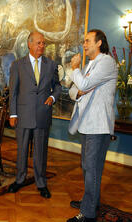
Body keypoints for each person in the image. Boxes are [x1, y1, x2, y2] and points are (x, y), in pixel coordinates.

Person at [67, 29, 117, 222]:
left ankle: (88, 213)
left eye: (88, 41)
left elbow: (84, 84)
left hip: (98, 125)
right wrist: (80, 88)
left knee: (92, 167)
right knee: (87, 166)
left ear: (99, 43)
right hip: (85, 124)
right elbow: (74, 91)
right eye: (84, 41)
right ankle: (90, 200)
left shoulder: (106, 62)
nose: (84, 44)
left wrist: (75, 71)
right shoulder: (90, 65)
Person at [8, 31, 62, 198]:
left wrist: (52, 97)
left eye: (43, 43)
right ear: (29, 44)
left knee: (40, 152)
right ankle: (19, 179)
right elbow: (14, 92)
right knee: (22, 151)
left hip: (42, 115)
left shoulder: (51, 65)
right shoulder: (17, 65)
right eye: (38, 43)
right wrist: (13, 114)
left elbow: (58, 87)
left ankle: (41, 182)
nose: (42, 46)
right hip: (23, 115)